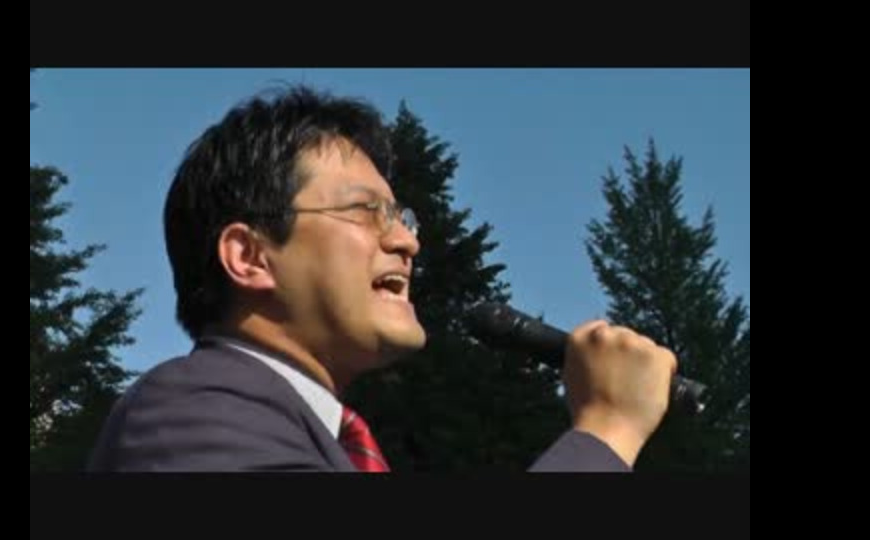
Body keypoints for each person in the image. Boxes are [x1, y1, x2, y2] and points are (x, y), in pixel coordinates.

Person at [86, 84, 678, 472]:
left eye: (402, 218)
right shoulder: (188, 414)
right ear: (250, 257)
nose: (407, 241)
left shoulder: (316, 438)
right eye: (365, 211)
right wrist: (606, 431)